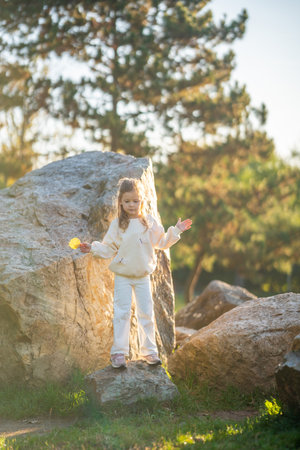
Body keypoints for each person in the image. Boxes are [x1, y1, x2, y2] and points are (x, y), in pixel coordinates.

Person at [79, 178, 192, 368]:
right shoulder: (117, 225)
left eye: (136, 201)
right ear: (121, 203)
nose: (132, 205)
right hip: (123, 275)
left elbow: (162, 242)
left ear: (142, 200)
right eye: (127, 201)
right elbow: (108, 248)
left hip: (142, 277)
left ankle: (149, 352)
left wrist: (176, 231)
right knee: (121, 313)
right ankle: (119, 353)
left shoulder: (149, 222)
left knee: (146, 313)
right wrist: (92, 248)